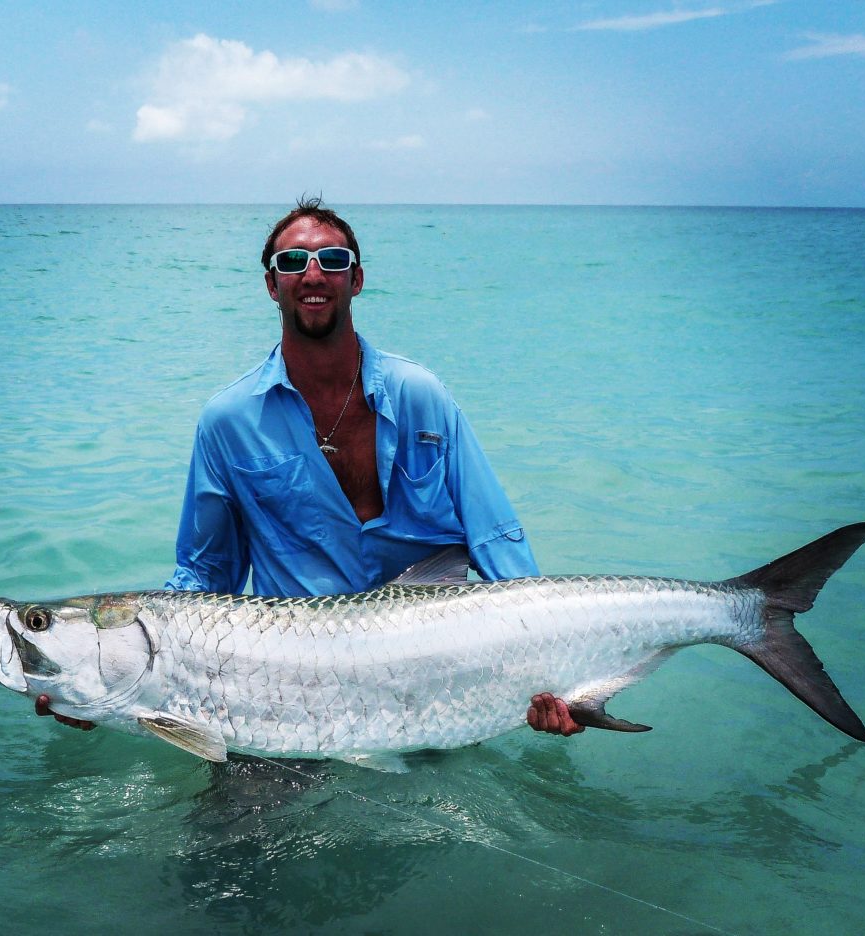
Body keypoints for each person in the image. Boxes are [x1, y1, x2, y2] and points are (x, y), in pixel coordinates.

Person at [38, 198, 582, 738]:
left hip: (432, 668)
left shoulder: (421, 395)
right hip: (289, 684)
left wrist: (547, 664)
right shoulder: (228, 421)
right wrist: (101, 686)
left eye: (333, 260)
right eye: (293, 263)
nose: (313, 275)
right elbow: (204, 577)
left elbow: (492, 534)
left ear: (357, 279)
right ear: (272, 285)